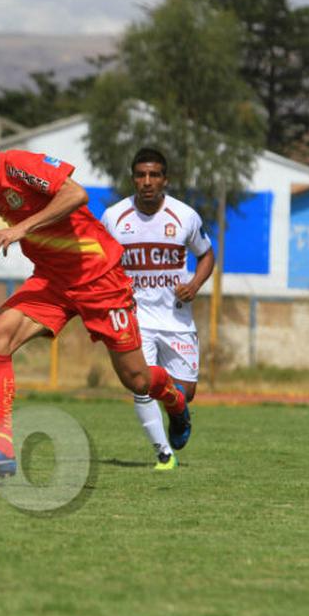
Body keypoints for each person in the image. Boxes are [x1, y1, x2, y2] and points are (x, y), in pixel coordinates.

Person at [0, 119, 190, 476]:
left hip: (99, 277)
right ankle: (1, 449)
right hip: (53, 282)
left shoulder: (20, 165)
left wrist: (22, 228)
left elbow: (76, 194)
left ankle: (175, 399)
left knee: (137, 381)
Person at [102, 148, 214, 469]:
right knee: (141, 385)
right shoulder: (114, 217)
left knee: (186, 392)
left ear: (165, 179)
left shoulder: (185, 216)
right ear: (133, 178)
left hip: (176, 318)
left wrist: (193, 285)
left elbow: (207, 255)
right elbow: (100, 261)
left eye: (154, 175)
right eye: (140, 175)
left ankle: (178, 410)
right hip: (134, 318)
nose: (147, 182)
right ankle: (163, 453)